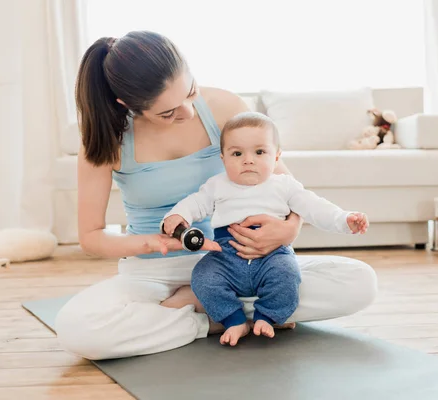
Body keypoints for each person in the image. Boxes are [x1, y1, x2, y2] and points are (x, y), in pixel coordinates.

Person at [54, 31, 378, 360]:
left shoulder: (225, 106)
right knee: (77, 330)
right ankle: (212, 319)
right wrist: (154, 242)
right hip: (153, 273)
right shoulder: (107, 138)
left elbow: (286, 185)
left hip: (240, 259)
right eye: (168, 113)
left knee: (359, 282)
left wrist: (289, 228)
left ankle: (212, 311)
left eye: (190, 92)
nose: (188, 112)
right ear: (128, 106)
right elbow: (91, 237)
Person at [162, 112, 369, 346]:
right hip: (225, 257)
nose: (248, 160)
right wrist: (177, 216)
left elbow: (315, 207)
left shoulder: (285, 185)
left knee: (287, 275)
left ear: (277, 156)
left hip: (273, 256)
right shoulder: (217, 185)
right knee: (202, 276)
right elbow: (195, 203)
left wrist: (344, 219)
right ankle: (233, 319)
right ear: (223, 158)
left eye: (260, 152)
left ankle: (268, 317)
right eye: (237, 153)